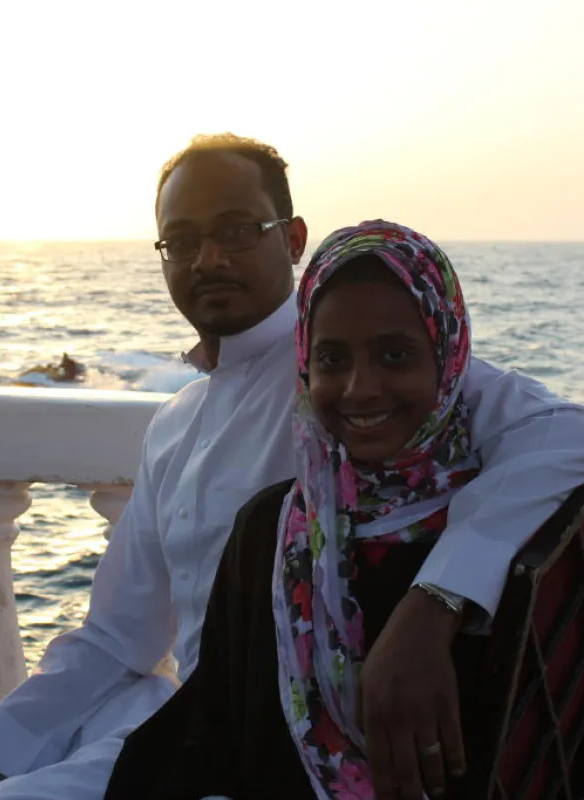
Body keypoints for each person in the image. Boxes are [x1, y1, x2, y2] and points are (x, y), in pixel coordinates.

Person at [0, 134, 584, 800]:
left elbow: (568, 432)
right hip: (196, 715)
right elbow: (118, 638)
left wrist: (436, 598)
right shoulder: (176, 423)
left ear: (294, 239)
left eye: (236, 231)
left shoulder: (343, 374)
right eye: (182, 241)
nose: (208, 259)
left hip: (271, 743)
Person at [106, 219, 558, 799]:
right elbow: (214, 729)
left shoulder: (506, 537)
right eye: (332, 358)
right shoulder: (270, 530)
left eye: (395, 355)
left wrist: (433, 608)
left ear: (448, 358)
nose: (359, 388)